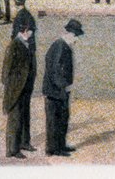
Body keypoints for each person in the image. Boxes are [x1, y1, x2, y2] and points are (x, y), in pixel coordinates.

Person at [42, 19, 82, 157]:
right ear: (70, 34)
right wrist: (63, 87)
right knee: (54, 121)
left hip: (61, 91)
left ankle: (61, 145)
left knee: (63, 119)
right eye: (75, 36)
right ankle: (53, 148)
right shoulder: (60, 45)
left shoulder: (64, 45)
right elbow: (55, 70)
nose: (77, 39)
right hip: (55, 92)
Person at [1, 24, 36, 158]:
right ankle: (12, 149)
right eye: (31, 30)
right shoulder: (14, 45)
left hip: (25, 88)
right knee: (15, 118)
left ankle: (24, 142)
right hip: (16, 89)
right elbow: (6, 71)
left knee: (25, 116)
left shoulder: (26, 43)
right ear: (26, 31)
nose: (33, 33)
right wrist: (11, 88)